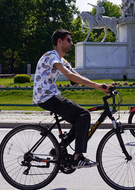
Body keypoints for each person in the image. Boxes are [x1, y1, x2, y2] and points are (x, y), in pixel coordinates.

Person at [33, 29, 112, 168]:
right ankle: (77, 157)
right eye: (69, 40)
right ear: (59, 41)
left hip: (50, 96)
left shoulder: (61, 59)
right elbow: (70, 76)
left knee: (79, 120)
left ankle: (59, 148)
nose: (72, 43)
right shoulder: (52, 56)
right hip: (47, 97)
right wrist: (97, 85)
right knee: (84, 115)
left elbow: (75, 75)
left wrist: (100, 87)